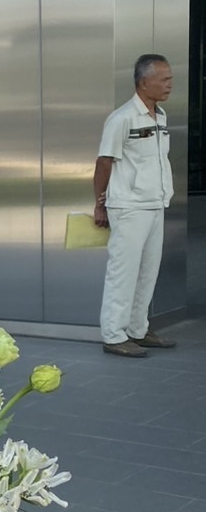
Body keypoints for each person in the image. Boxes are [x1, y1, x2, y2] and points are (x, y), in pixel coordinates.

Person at [93, 53, 176, 357]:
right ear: (144, 83)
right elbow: (104, 162)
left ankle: (137, 330)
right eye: (164, 79)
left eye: (170, 78)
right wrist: (100, 205)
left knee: (147, 271)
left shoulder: (161, 116)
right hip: (128, 207)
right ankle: (114, 335)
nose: (170, 84)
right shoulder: (122, 118)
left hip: (155, 203)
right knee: (123, 272)